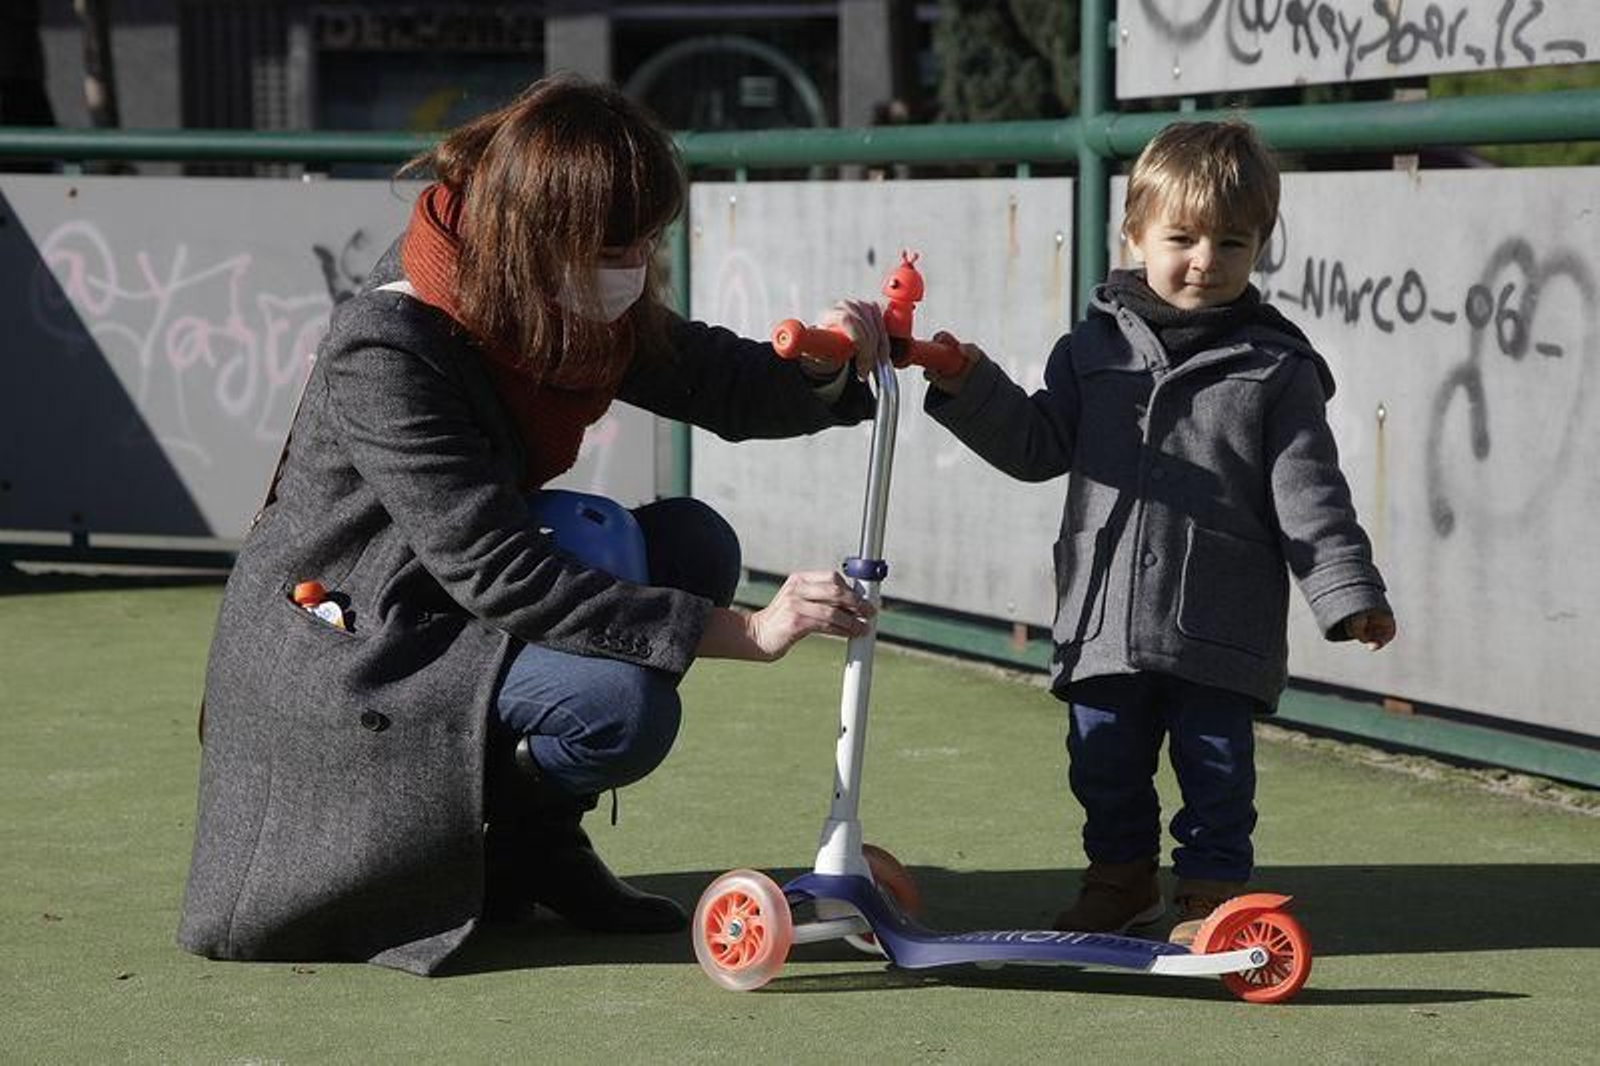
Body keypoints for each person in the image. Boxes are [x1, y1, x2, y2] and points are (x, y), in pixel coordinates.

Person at [177, 74, 889, 976]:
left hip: (446, 597)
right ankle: (501, 845)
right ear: (538, 233)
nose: (633, 265)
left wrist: (830, 360)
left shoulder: (552, 291)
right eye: (615, 245)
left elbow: (714, 375)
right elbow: (499, 571)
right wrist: (742, 630)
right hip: (353, 636)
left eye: (646, 242)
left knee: (690, 543)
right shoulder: (389, 342)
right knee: (620, 705)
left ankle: (536, 848)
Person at [914, 119, 1397, 946]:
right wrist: (968, 383)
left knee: (1214, 767)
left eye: (1232, 243)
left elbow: (1310, 493)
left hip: (1218, 618)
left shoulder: (1274, 367)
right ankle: (1121, 881)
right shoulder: (1092, 350)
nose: (1205, 261)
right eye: (1181, 238)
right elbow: (1037, 448)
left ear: (1260, 248)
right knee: (1102, 760)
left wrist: (1349, 592)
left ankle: (1210, 897)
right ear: (1134, 234)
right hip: (1101, 614)